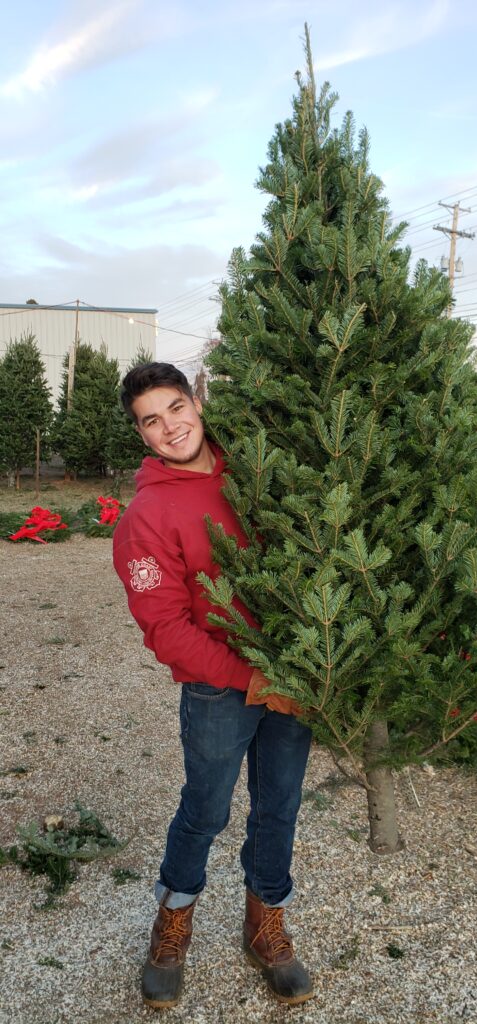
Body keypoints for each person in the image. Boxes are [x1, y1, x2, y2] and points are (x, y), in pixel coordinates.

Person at [112, 362, 313, 1010]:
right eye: (152, 419)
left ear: (196, 400)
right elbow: (167, 630)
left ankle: (266, 926)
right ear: (141, 435)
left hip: (296, 675)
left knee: (278, 808)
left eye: (176, 406)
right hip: (219, 692)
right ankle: (172, 926)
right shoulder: (146, 517)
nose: (171, 426)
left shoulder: (260, 470)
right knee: (206, 812)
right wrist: (254, 680)